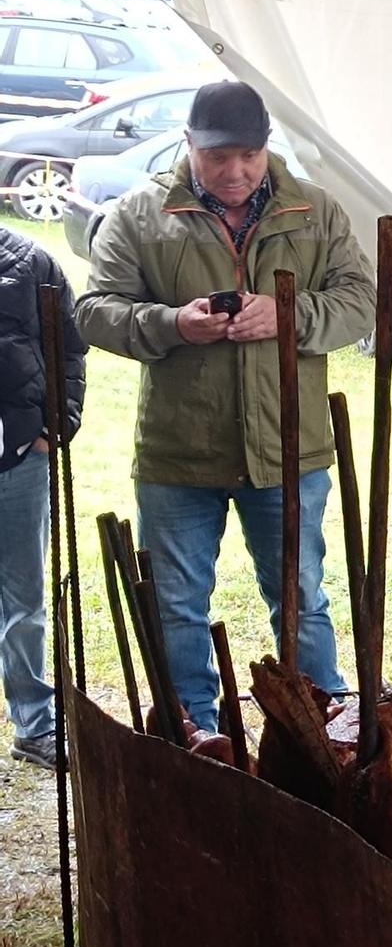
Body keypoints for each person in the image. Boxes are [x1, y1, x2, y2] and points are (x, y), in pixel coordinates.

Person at [78, 79, 373, 730]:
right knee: (177, 605)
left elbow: (360, 301)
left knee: (300, 598)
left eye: (248, 154)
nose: (234, 171)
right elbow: (94, 312)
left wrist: (287, 313)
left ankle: (324, 731)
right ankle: (196, 737)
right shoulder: (139, 213)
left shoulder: (315, 211)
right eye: (218, 156)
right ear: (189, 146)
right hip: (180, 454)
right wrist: (172, 324)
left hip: (290, 447)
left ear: (266, 147)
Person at [0, 225, 84, 768]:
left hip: (17, 462)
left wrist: (54, 427)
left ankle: (34, 722)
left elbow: (69, 348)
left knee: (24, 600)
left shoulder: (30, 263)